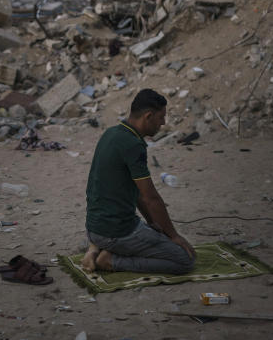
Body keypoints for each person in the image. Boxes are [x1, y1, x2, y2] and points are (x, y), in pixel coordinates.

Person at [82, 89, 196, 274]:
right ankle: (111, 260)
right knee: (185, 260)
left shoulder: (111, 133)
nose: (163, 123)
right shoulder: (133, 144)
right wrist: (173, 236)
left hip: (94, 228)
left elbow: (137, 194)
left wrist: (154, 223)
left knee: (154, 235)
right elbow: (151, 198)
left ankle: (96, 248)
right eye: (161, 118)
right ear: (148, 116)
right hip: (115, 232)